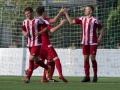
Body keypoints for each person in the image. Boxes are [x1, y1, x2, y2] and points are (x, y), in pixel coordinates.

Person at [25, 6, 68, 83]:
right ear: (43, 12)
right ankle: (60, 74)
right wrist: (61, 24)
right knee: (55, 58)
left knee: (42, 61)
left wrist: (60, 12)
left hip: (38, 45)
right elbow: (52, 28)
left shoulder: (36, 20)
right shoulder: (45, 21)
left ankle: (44, 78)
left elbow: (53, 21)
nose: (47, 12)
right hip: (45, 44)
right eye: (46, 11)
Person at [64, 5, 104, 82]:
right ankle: (87, 77)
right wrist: (66, 13)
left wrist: (100, 37)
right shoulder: (82, 19)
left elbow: (101, 28)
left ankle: (95, 75)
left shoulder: (95, 20)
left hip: (93, 41)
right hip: (84, 41)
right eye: (85, 9)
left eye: (87, 9)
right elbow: (71, 22)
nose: (85, 11)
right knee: (85, 58)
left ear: (91, 11)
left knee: (92, 58)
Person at [21, 7, 51, 83]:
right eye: (26, 14)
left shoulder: (38, 20)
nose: (27, 15)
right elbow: (23, 30)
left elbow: (47, 28)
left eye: (28, 13)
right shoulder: (25, 21)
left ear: (32, 12)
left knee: (31, 58)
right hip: (29, 43)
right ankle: (47, 67)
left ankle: (27, 78)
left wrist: (39, 33)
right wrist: (25, 34)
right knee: (36, 60)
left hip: (37, 43)